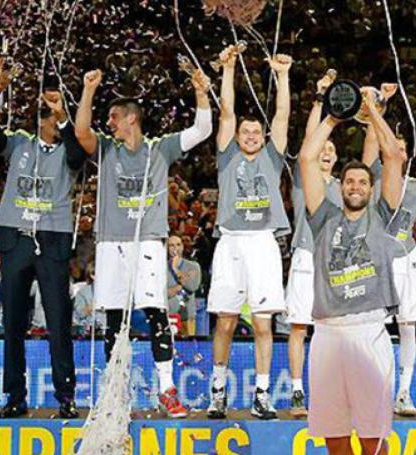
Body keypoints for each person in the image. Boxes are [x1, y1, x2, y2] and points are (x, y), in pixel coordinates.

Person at [298, 88, 403, 455]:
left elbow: (394, 153)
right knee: (335, 437)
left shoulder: (382, 216)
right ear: (341, 187)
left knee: (371, 434)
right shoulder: (322, 221)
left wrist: (373, 111)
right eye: (351, 181)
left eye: (363, 179)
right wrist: (336, 116)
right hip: (327, 334)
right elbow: (304, 156)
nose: (357, 185)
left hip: (368, 330)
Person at [76, 66, 212, 419]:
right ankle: (114, 393)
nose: (109, 123)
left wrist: (200, 91)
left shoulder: (159, 149)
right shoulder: (106, 149)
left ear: (131, 119)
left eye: (114, 117)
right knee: (115, 318)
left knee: (156, 314)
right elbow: (80, 131)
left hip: (149, 242)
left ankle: (167, 389)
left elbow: (203, 130)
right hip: (110, 244)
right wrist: (89, 90)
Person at [0, 52, 87, 419]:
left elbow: (77, 153)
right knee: (13, 324)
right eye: (50, 116)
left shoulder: (70, 151)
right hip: (17, 241)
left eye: (56, 117)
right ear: (39, 122)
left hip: (52, 242)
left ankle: (65, 397)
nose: (53, 121)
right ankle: (15, 396)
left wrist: (66, 115)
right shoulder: (20, 143)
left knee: (58, 323)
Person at [206, 46, 293, 420]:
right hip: (230, 242)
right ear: (238, 136)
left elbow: (284, 115)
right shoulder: (227, 157)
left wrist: (283, 76)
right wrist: (227, 70)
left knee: (263, 322)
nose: (253, 135)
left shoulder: (273, 158)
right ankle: (218, 392)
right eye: (247, 131)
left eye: (258, 131)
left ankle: (261, 395)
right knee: (225, 319)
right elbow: (225, 112)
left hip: (262, 244)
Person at [362, 103, 416, 418]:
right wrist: (373, 109)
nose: (394, 150)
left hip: (409, 260)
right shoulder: (371, 177)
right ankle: (373, 392)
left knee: (408, 327)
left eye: (399, 147)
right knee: (372, 329)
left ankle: (403, 392)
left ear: (407, 154)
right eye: (389, 145)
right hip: (377, 262)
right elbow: (371, 146)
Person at [286, 70, 342, 418]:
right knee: (299, 327)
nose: (325, 151)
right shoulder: (302, 182)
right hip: (305, 258)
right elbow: (310, 142)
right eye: (322, 147)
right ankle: (296, 392)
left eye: (331, 149)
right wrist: (321, 99)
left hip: (333, 265)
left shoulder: (343, 186)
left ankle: (328, 393)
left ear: (335, 159)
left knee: (330, 331)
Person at [167, 235, 202, 334]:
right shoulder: (161, 268)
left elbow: (192, 286)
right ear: (167, 248)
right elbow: (159, 293)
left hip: (187, 317)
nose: (175, 248)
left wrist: (175, 269)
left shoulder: (193, 266)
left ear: (182, 247)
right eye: (171, 245)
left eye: (178, 245)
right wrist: (178, 287)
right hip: (168, 316)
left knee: (188, 347)